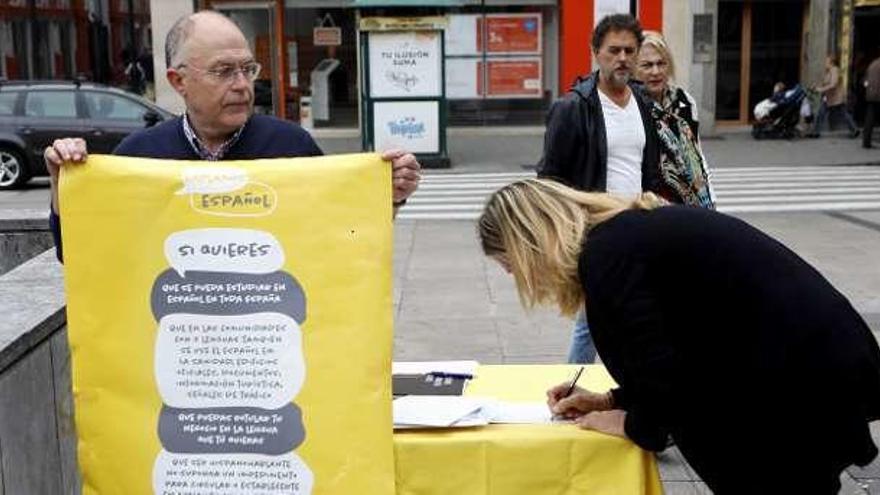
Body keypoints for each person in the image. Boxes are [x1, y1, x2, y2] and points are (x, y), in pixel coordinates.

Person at [478, 178, 880, 494]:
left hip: (797, 388)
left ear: (527, 243)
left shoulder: (607, 256)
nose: (512, 276)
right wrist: (611, 399)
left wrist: (633, 424)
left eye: (506, 263)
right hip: (806, 371)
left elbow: (664, 371)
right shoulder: (620, 238)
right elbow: (686, 343)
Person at [45, 11, 421, 262]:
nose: (242, 85)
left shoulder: (293, 147)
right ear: (179, 81)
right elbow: (80, 255)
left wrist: (389, 199)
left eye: (247, 69)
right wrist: (63, 186)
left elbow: (348, 241)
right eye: (223, 71)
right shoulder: (136, 157)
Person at [536, 14, 668, 364]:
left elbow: (647, 168)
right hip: (597, 228)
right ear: (595, 52)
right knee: (594, 317)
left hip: (639, 224)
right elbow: (549, 178)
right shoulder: (574, 107)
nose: (622, 58)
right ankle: (572, 386)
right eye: (613, 50)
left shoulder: (642, 103)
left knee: (624, 313)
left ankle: (613, 386)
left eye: (629, 50)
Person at [635, 31, 714, 208]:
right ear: (634, 69)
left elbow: (697, 153)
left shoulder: (684, 101)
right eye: (647, 65)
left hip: (690, 203)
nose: (655, 71)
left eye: (661, 63)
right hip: (649, 205)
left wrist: (710, 200)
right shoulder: (631, 106)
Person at [809, 55, 860, 139]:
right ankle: (815, 132)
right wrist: (815, 87)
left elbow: (833, 84)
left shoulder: (835, 70)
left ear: (831, 63)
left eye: (826, 61)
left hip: (836, 98)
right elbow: (824, 82)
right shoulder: (828, 71)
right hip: (829, 98)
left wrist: (821, 89)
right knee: (821, 114)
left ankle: (854, 129)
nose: (825, 63)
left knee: (843, 114)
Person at [863, 50, 880, 149]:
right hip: (878, 94)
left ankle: (866, 142)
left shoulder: (872, 64)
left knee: (869, 118)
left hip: (870, 94)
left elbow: (865, 80)